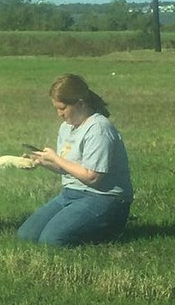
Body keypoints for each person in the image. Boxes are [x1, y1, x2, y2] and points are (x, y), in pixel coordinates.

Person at [18, 73, 133, 246]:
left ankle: (108, 230)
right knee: (26, 235)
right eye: (56, 108)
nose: (59, 114)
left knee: (52, 240)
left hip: (104, 198)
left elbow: (92, 177)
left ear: (80, 103)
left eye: (63, 108)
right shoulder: (66, 127)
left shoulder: (99, 129)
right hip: (71, 193)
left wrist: (56, 158)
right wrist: (42, 161)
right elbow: (67, 168)